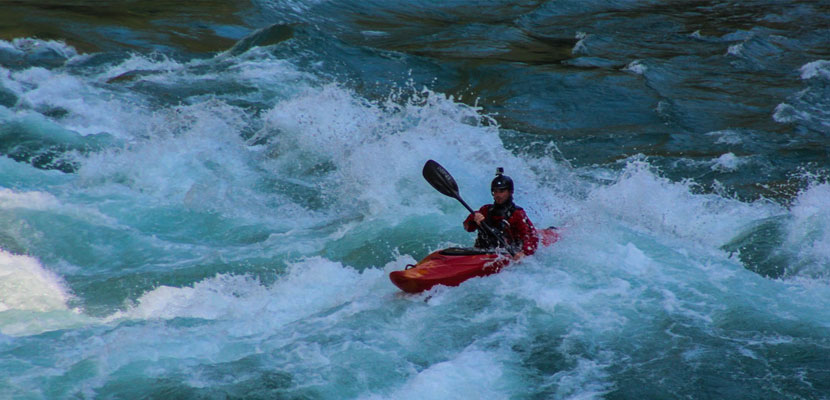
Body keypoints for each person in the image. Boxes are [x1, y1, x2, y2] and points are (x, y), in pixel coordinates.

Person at [463, 167, 539, 260]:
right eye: (495, 191)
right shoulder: (485, 210)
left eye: (502, 191)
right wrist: (473, 217)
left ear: (510, 192)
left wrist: (523, 253)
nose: (498, 195)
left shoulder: (517, 214)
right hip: (482, 253)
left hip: (507, 253)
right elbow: (467, 228)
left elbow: (532, 238)